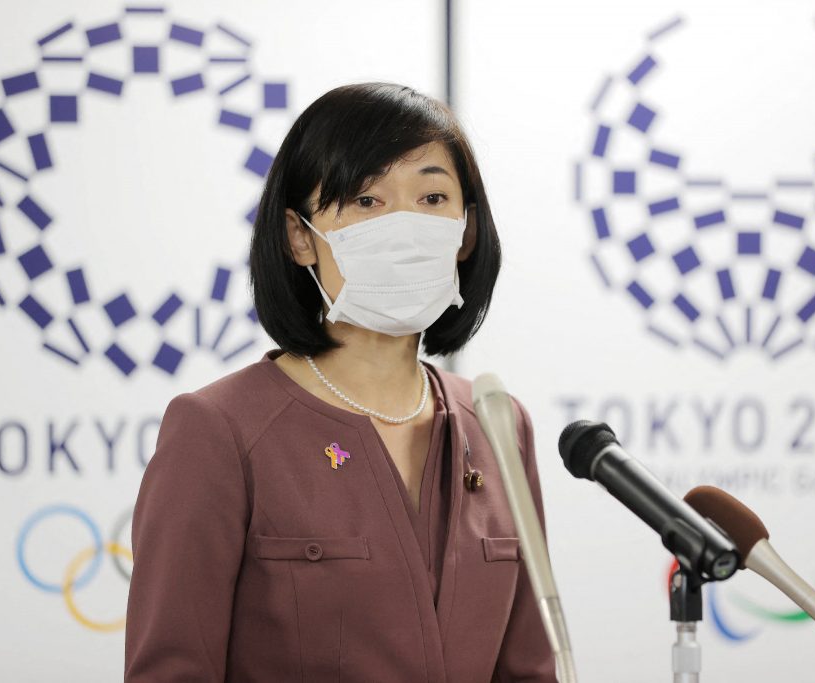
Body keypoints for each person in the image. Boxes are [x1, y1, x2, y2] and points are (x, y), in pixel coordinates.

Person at [124, 82, 558, 682]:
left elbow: (530, 667)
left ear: (467, 231)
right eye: (366, 201)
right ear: (301, 236)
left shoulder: (497, 423)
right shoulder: (219, 429)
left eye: (433, 197)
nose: (405, 226)